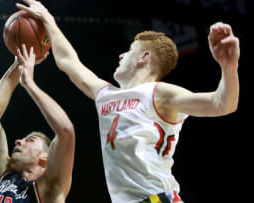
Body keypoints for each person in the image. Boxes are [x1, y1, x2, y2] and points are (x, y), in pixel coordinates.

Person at [16, 0, 240, 202]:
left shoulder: (159, 93)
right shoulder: (106, 95)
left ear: (145, 57)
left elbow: (223, 104)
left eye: (129, 50)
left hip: (156, 199)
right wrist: (47, 18)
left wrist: (228, 67)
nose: (121, 56)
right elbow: (68, 62)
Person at [0, 45, 75, 203]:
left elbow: (65, 130)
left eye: (30, 140)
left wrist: (29, 84)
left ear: (45, 157)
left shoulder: (51, 187)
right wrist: (19, 63)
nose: (18, 141)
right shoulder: (3, 175)